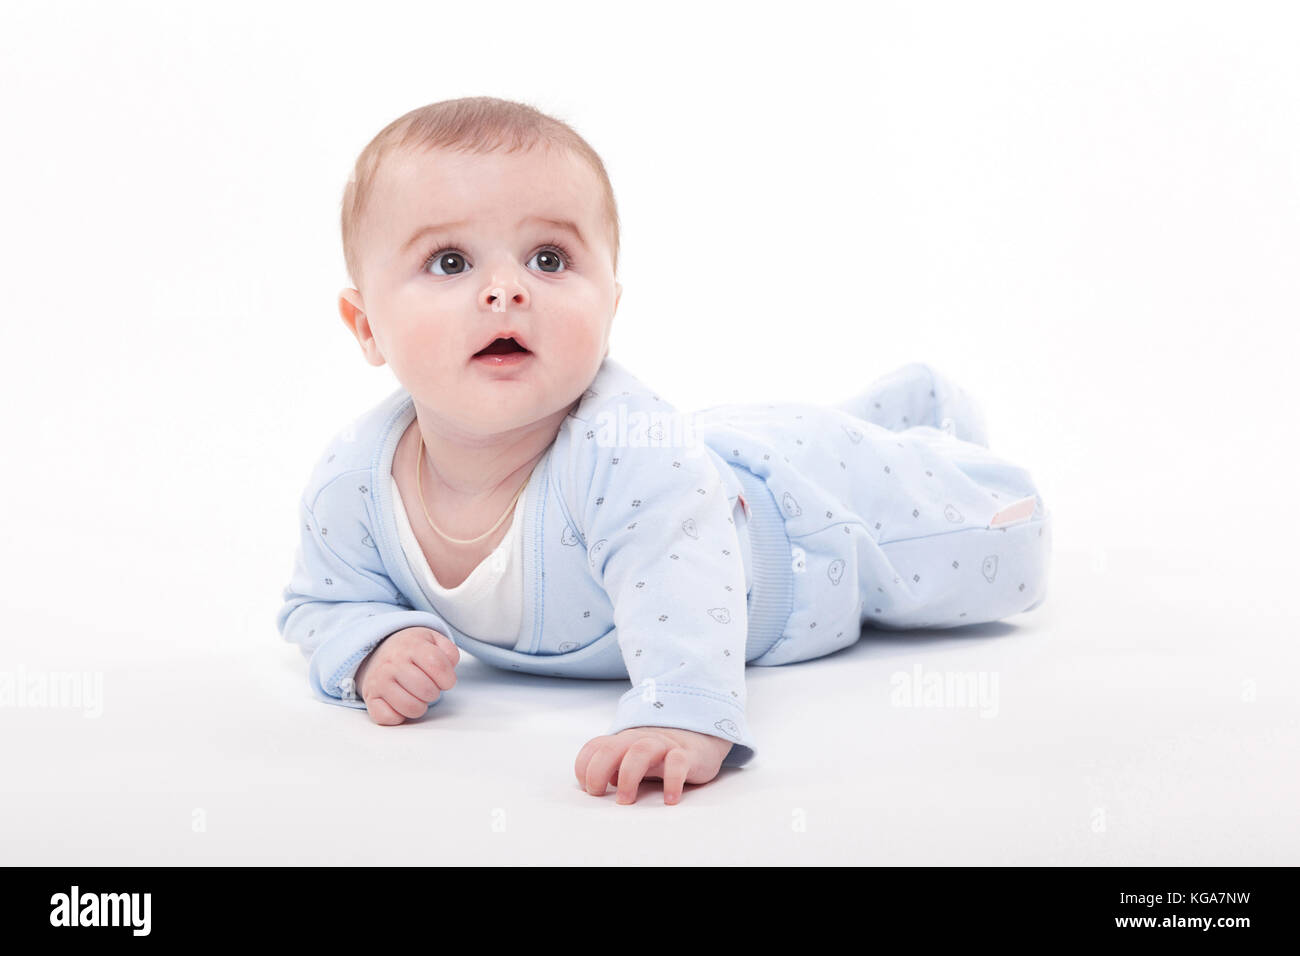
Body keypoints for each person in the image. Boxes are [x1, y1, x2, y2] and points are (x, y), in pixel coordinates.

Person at [276, 96, 1052, 806]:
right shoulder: (355, 482)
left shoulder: (623, 452)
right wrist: (371, 647)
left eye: (549, 259)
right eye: (450, 262)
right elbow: (321, 601)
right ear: (366, 325)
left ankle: (940, 440)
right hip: (710, 447)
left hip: (799, 533)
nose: (506, 290)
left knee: (985, 542)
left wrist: (680, 714)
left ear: (610, 305)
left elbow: (677, 583)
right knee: (790, 432)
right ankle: (907, 414)